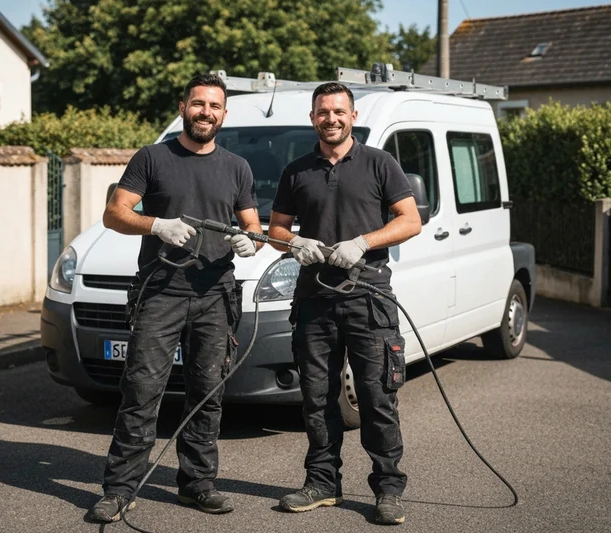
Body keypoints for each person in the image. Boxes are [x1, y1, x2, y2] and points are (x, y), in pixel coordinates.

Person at [89, 73, 263, 523]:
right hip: (160, 293)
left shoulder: (236, 167)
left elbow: (254, 227)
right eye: (199, 103)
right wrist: (155, 225)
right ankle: (119, 490)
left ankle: (197, 485)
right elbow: (114, 214)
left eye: (215, 106)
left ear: (224, 114)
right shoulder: (152, 157)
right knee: (142, 391)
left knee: (207, 393)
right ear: (184, 106)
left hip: (216, 295)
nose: (206, 112)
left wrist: (251, 242)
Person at [268, 82, 422, 525]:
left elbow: (409, 220)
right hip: (313, 301)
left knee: (377, 398)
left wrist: (363, 241)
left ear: (353, 116)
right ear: (312, 117)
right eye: (322, 112)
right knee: (317, 399)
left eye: (338, 111)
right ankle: (322, 483)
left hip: (368, 298)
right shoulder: (296, 171)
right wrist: (294, 241)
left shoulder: (380, 163)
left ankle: (388, 489)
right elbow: (276, 229)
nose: (330, 118)